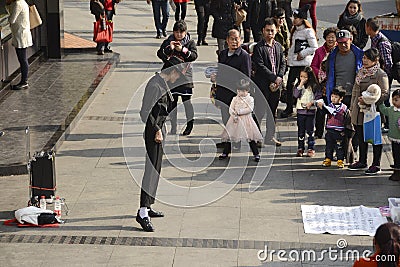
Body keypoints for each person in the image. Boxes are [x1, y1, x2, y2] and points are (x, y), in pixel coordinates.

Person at [137, 60, 186, 232]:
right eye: (177, 75)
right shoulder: (155, 86)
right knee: (150, 169)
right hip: (153, 132)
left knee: (156, 169)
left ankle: (148, 205)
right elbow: (145, 112)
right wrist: (157, 129)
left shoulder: (162, 84)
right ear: (171, 72)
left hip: (159, 130)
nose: (177, 78)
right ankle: (142, 211)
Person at [348, 48, 389, 175]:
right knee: (361, 137)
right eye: (364, 58)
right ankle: (362, 160)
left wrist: (368, 100)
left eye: (368, 58)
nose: (364, 61)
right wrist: (352, 107)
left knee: (375, 137)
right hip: (358, 110)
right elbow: (355, 90)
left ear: (375, 60)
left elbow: (384, 94)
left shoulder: (380, 74)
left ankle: (376, 164)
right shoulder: (361, 72)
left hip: (372, 111)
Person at [157, 20, 198, 136]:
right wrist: (169, 49)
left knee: (187, 103)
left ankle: (189, 125)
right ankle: (173, 127)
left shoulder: (190, 43)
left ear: (185, 32)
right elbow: (160, 54)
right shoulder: (168, 41)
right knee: (172, 104)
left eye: (181, 32)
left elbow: (194, 56)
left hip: (185, 78)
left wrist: (182, 50)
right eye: (176, 32)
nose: (179, 35)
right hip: (171, 77)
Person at [252, 18, 286, 146]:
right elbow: (260, 66)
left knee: (273, 112)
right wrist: (273, 78)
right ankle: (256, 137)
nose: (270, 33)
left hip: (276, 85)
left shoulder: (278, 47)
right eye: (267, 30)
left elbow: (283, 63)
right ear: (263, 31)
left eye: (272, 30)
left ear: (276, 31)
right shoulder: (259, 48)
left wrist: (280, 77)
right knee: (259, 112)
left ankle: (270, 137)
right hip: (263, 85)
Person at [280, 4, 318, 118]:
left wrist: (302, 54)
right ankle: (289, 107)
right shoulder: (295, 30)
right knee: (290, 85)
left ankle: (305, 106)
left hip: (303, 64)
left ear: (302, 19)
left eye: (296, 18)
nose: (293, 19)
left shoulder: (308, 31)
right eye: (293, 17)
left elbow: (314, 47)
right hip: (294, 64)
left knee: (304, 86)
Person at [219, 79, 263, 161]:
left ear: (246, 90)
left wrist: (239, 112)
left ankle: (256, 154)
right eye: (238, 91)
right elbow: (231, 108)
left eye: (241, 91)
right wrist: (233, 114)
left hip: (246, 120)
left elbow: (250, 109)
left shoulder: (250, 99)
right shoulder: (235, 98)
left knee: (250, 138)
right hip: (235, 120)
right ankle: (225, 152)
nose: (239, 93)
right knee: (231, 137)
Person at [365, 17, 393, 131]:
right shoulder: (374, 38)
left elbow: (388, 62)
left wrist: (382, 76)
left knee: (384, 99)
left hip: (384, 76)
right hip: (377, 74)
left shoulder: (382, 42)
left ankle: (388, 125)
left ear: (369, 28)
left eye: (366, 27)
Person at [311, 27, 338, 138]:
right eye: (328, 37)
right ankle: (318, 132)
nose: (330, 39)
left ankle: (332, 131)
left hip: (335, 85)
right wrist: (321, 75)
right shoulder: (319, 51)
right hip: (322, 85)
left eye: (333, 37)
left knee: (334, 109)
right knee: (321, 109)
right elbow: (313, 66)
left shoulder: (339, 51)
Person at [325, 29, 364, 107]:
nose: (343, 45)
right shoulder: (332, 56)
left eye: (345, 42)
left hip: (354, 94)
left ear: (351, 40)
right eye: (340, 43)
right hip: (337, 96)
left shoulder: (360, 56)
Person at [318, 89, 351, 168]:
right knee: (329, 146)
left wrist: (345, 130)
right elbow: (323, 114)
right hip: (330, 129)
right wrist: (321, 107)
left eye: (336, 97)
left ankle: (340, 160)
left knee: (339, 146)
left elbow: (347, 119)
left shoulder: (344, 108)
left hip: (339, 130)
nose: (333, 98)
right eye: (332, 96)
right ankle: (328, 159)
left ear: (341, 98)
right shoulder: (329, 106)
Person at [293, 66, 322, 157]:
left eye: (305, 77)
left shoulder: (314, 86)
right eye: (301, 76)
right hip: (300, 111)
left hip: (311, 112)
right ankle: (300, 148)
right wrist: (300, 85)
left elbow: (318, 98)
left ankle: (311, 148)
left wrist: (312, 103)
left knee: (310, 131)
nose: (303, 79)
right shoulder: (298, 86)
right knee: (301, 131)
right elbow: (295, 95)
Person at [6, 0, 32, 90]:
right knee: (23, 59)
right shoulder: (23, 2)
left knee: (23, 59)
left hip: (20, 35)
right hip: (22, 33)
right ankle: (24, 81)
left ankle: (24, 82)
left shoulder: (17, 4)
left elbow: (11, 20)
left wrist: (8, 7)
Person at [379, 89, 400, 181]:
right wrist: (380, 100)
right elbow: (383, 110)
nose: (394, 102)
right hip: (394, 138)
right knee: (396, 155)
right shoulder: (391, 110)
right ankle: (397, 172)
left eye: (396, 100)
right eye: (393, 99)